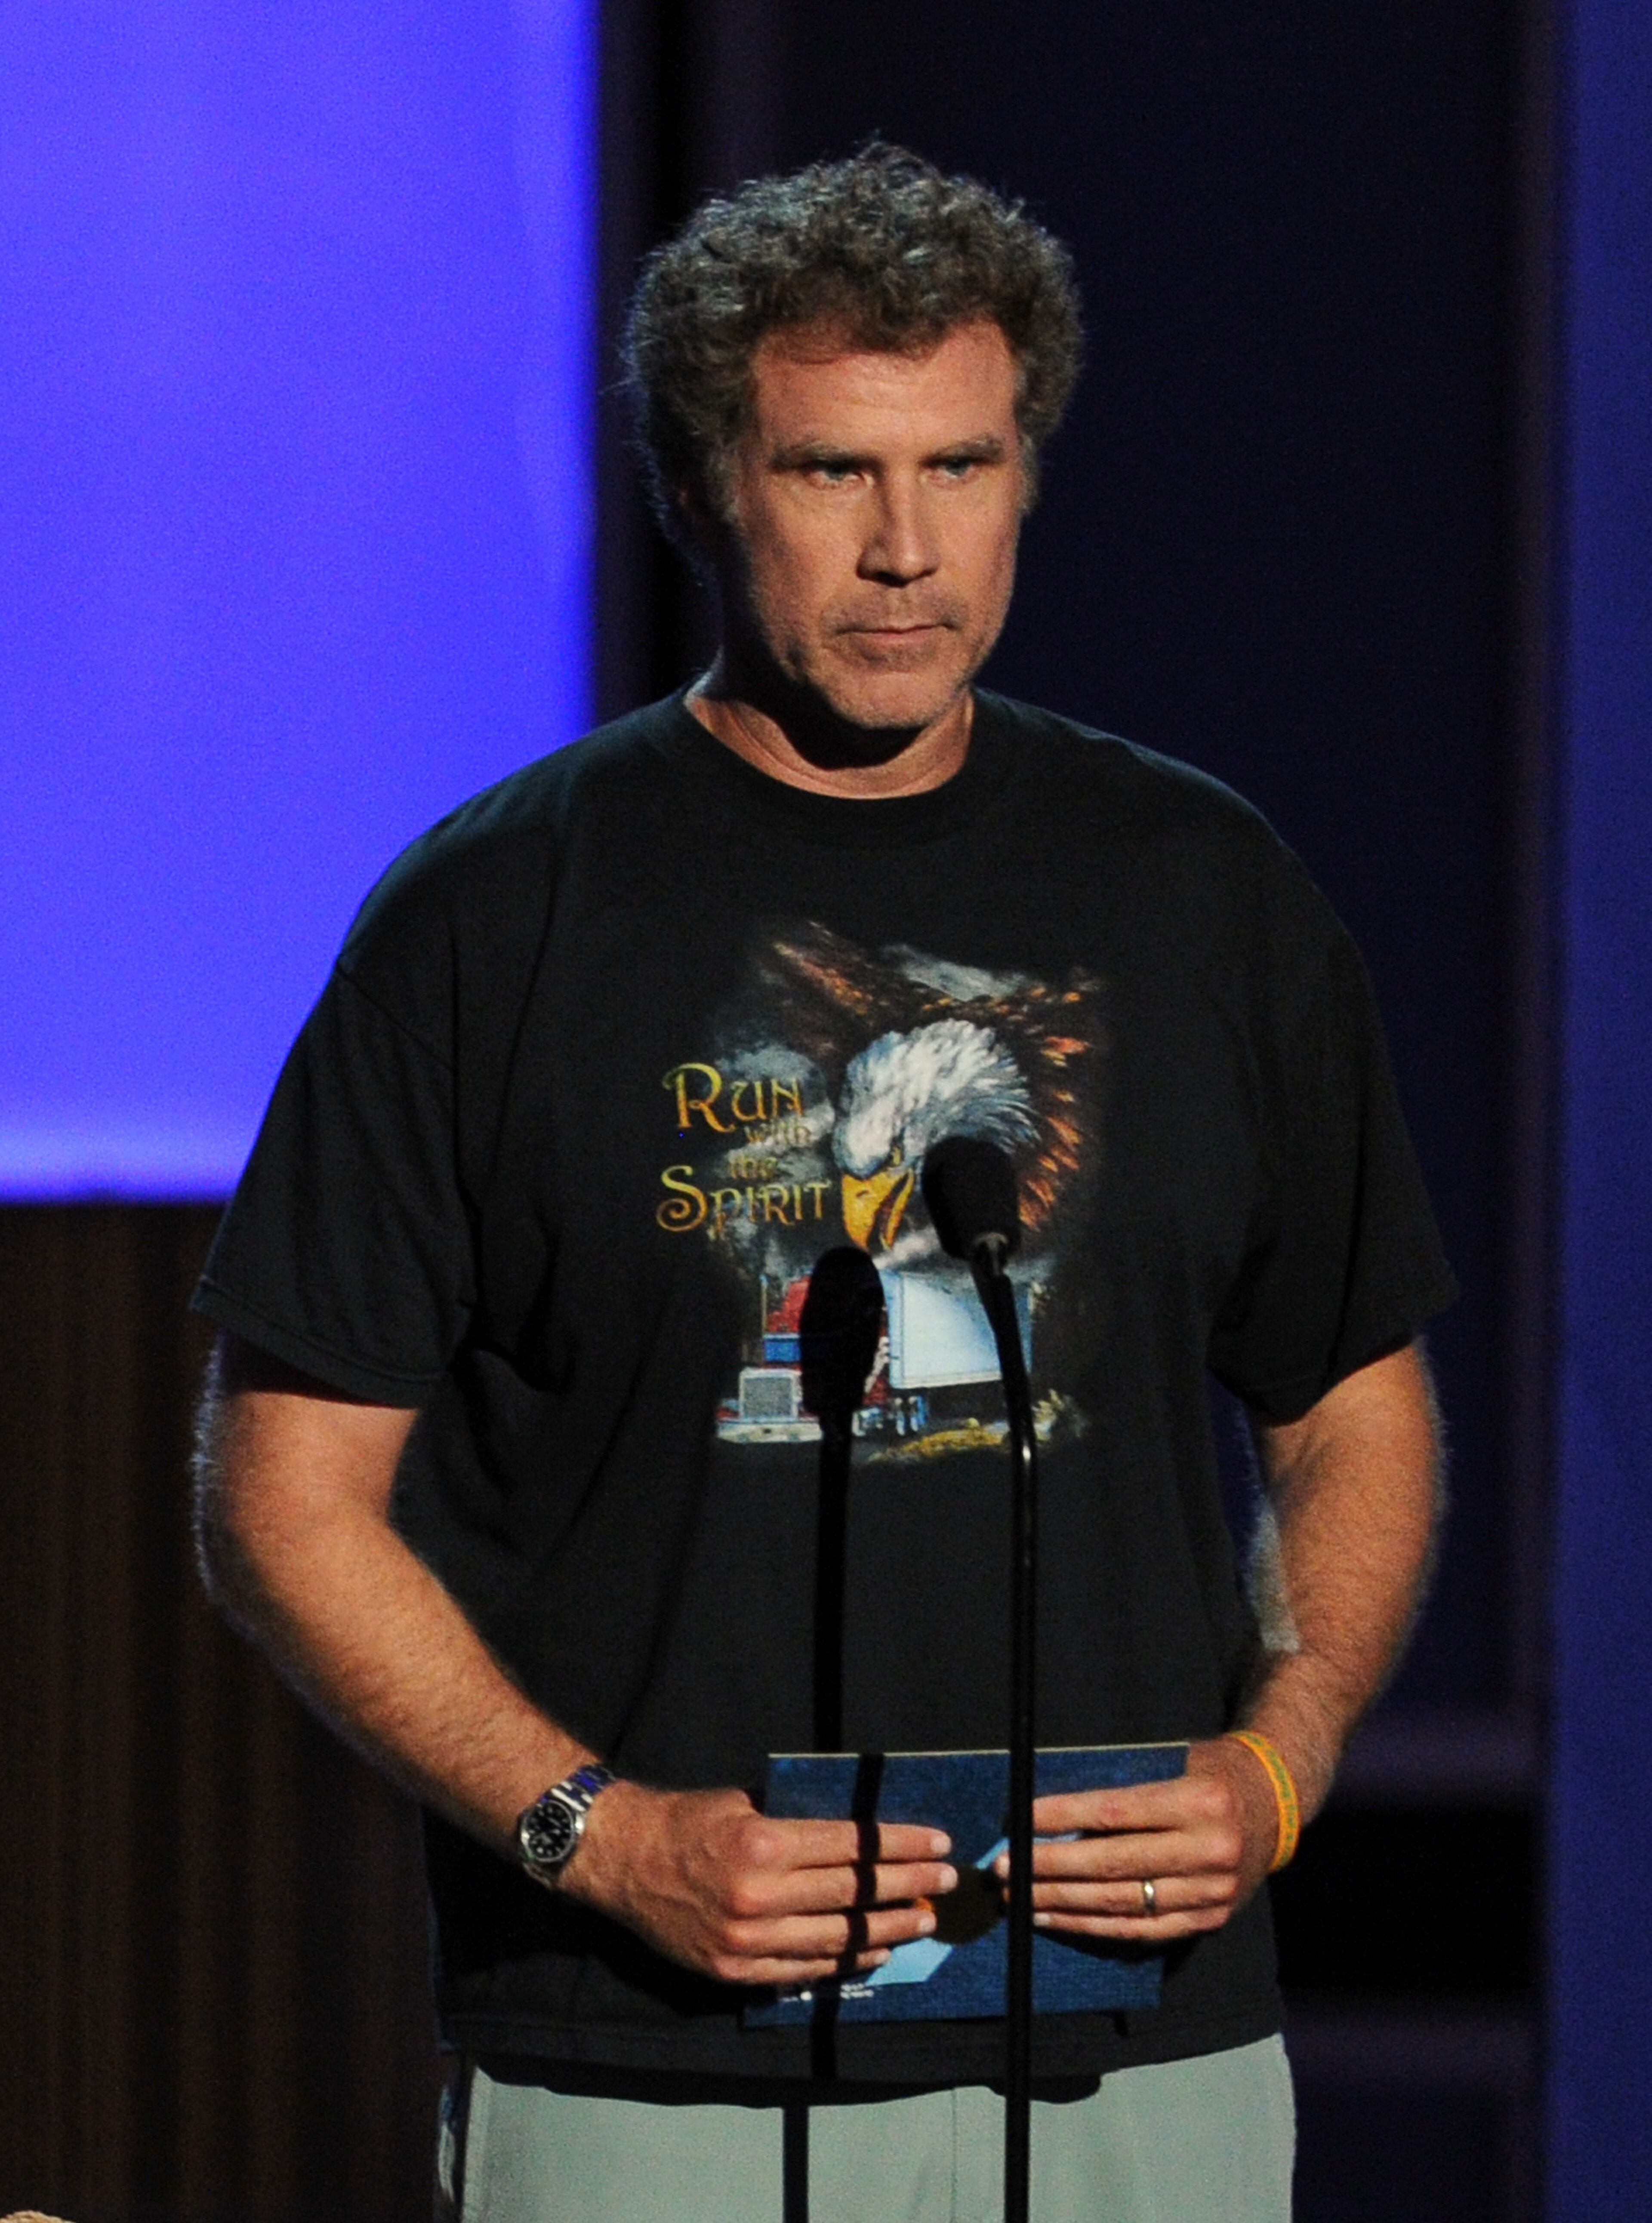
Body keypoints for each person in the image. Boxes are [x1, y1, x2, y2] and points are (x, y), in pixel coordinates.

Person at [192, 144, 1453, 2222]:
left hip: (1142, 2046)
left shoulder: (1206, 888)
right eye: (829, 471)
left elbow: (1352, 1406)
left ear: (1027, 477)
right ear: (707, 490)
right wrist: (601, 1835)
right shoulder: (494, 915)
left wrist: (1284, 1757)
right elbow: (283, 1493)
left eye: (960, 466)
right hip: (647, 2054)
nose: (904, 549)